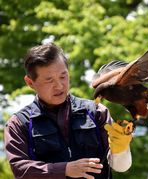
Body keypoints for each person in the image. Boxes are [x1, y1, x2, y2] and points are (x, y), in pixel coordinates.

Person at [4, 43, 132, 179]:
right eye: (49, 80)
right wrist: (64, 169)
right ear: (30, 82)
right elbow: (20, 170)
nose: (59, 86)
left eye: (63, 76)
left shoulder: (96, 112)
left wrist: (121, 149)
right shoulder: (19, 124)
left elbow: (120, 167)